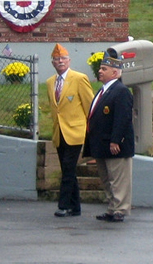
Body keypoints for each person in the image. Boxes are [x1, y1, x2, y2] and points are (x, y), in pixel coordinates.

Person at [83, 50, 135, 223]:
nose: (100, 71)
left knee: (118, 180)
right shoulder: (102, 91)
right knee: (107, 179)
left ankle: (120, 209)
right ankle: (112, 207)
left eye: (104, 69)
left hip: (114, 145)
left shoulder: (121, 91)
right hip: (101, 144)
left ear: (115, 72)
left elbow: (123, 118)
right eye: (100, 68)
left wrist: (115, 140)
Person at [46, 43, 94, 217]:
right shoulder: (50, 82)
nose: (60, 61)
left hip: (75, 131)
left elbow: (90, 106)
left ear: (69, 60)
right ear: (52, 63)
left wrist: (91, 130)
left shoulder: (79, 78)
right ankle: (76, 207)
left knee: (67, 167)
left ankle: (63, 205)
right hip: (59, 132)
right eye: (57, 59)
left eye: (63, 58)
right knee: (68, 169)